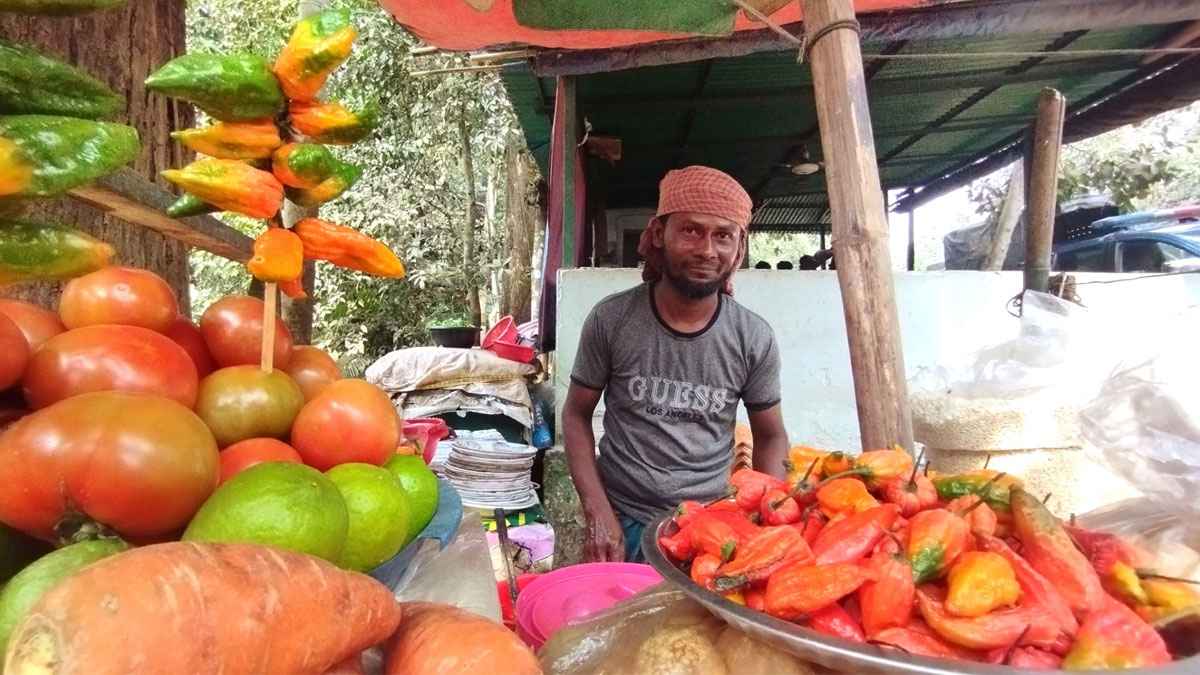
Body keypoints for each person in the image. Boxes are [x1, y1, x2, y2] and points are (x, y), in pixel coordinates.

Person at [562, 166, 790, 563]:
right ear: (657, 235)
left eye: (723, 235)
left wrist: (762, 519)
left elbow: (770, 437)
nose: (706, 250)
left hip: (709, 527)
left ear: (738, 250)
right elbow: (576, 415)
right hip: (621, 519)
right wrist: (597, 511)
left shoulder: (753, 337)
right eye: (691, 230)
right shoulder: (612, 320)